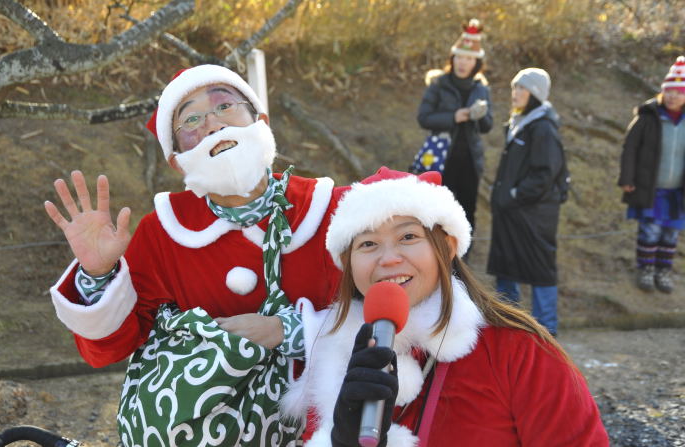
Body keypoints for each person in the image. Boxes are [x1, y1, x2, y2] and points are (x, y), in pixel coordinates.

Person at [44, 64, 344, 446]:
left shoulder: (334, 208)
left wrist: (290, 331)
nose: (213, 124)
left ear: (261, 121)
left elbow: (395, 312)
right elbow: (108, 350)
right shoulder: (163, 231)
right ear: (176, 160)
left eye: (225, 105)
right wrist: (99, 274)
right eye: (192, 119)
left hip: (328, 424)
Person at [280, 167, 608, 446]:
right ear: (347, 263)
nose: (389, 258)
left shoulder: (520, 352)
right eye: (368, 244)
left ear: (447, 247)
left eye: (408, 237)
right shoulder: (332, 364)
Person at [486, 68, 565, 337]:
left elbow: (546, 173)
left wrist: (515, 195)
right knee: (507, 265)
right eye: (515, 87)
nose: (516, 93)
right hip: (512, 213)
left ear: (536, 94)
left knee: (540, 269)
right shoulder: (520, 122)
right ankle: (509, 325)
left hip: (533, 214)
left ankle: (547, 330)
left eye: (522, 88)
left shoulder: (542, 127)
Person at [415, 19, 493, 231]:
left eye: (468, 58)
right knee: (438, 210)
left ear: (476, 62)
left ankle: (463, 258)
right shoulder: (439, 83)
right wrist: (453, 117)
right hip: (441, 159)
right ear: (453, 58)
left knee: (467, 211)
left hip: (470, 160)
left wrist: (480, 114)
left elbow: (487, 126)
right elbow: (423, 117)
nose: (463, 62)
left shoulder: (481, 88)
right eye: (460, 57)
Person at [618, 55, 685, 294]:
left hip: (678, 191)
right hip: (651, 188)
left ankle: (663, 270)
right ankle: (645, 269)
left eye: (678, 92)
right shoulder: (649, 117)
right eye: (669, 91)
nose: (672, 96)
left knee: (670, 232)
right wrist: (627, 178)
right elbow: (630, 147)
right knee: (650, 229)